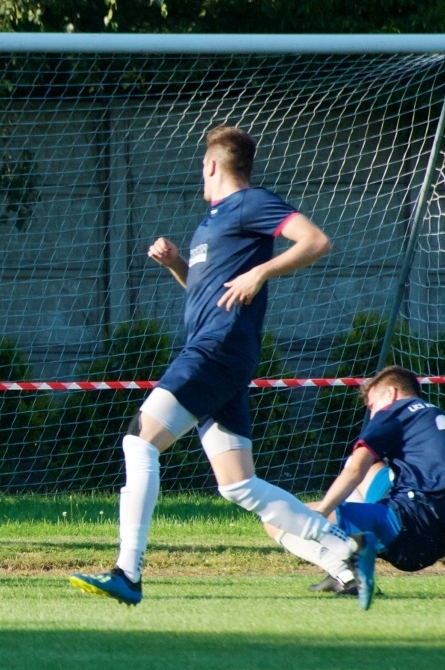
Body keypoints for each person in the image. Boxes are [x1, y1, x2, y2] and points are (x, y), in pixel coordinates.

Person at [71, 126, 362, 606]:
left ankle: (127, 572)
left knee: (139, 440)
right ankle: (339, 552)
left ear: (211, 165)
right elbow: (213, 295)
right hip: (223, 349)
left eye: (201, 166)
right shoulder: (213, 222)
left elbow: (316, 241)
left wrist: (261, 271)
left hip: (216, 348)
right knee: (239, 484)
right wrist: (176, 264)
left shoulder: (250, 203)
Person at [267, 366, 445, 608]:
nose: (373, 415)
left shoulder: (395, 412)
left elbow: (355, 471)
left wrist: (321, 514)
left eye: (373, 406)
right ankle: (352, 544)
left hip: (405, 527)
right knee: (371, 464)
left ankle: (346, 576)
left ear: (392, 393)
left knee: (276, 517)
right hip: (436, 543)